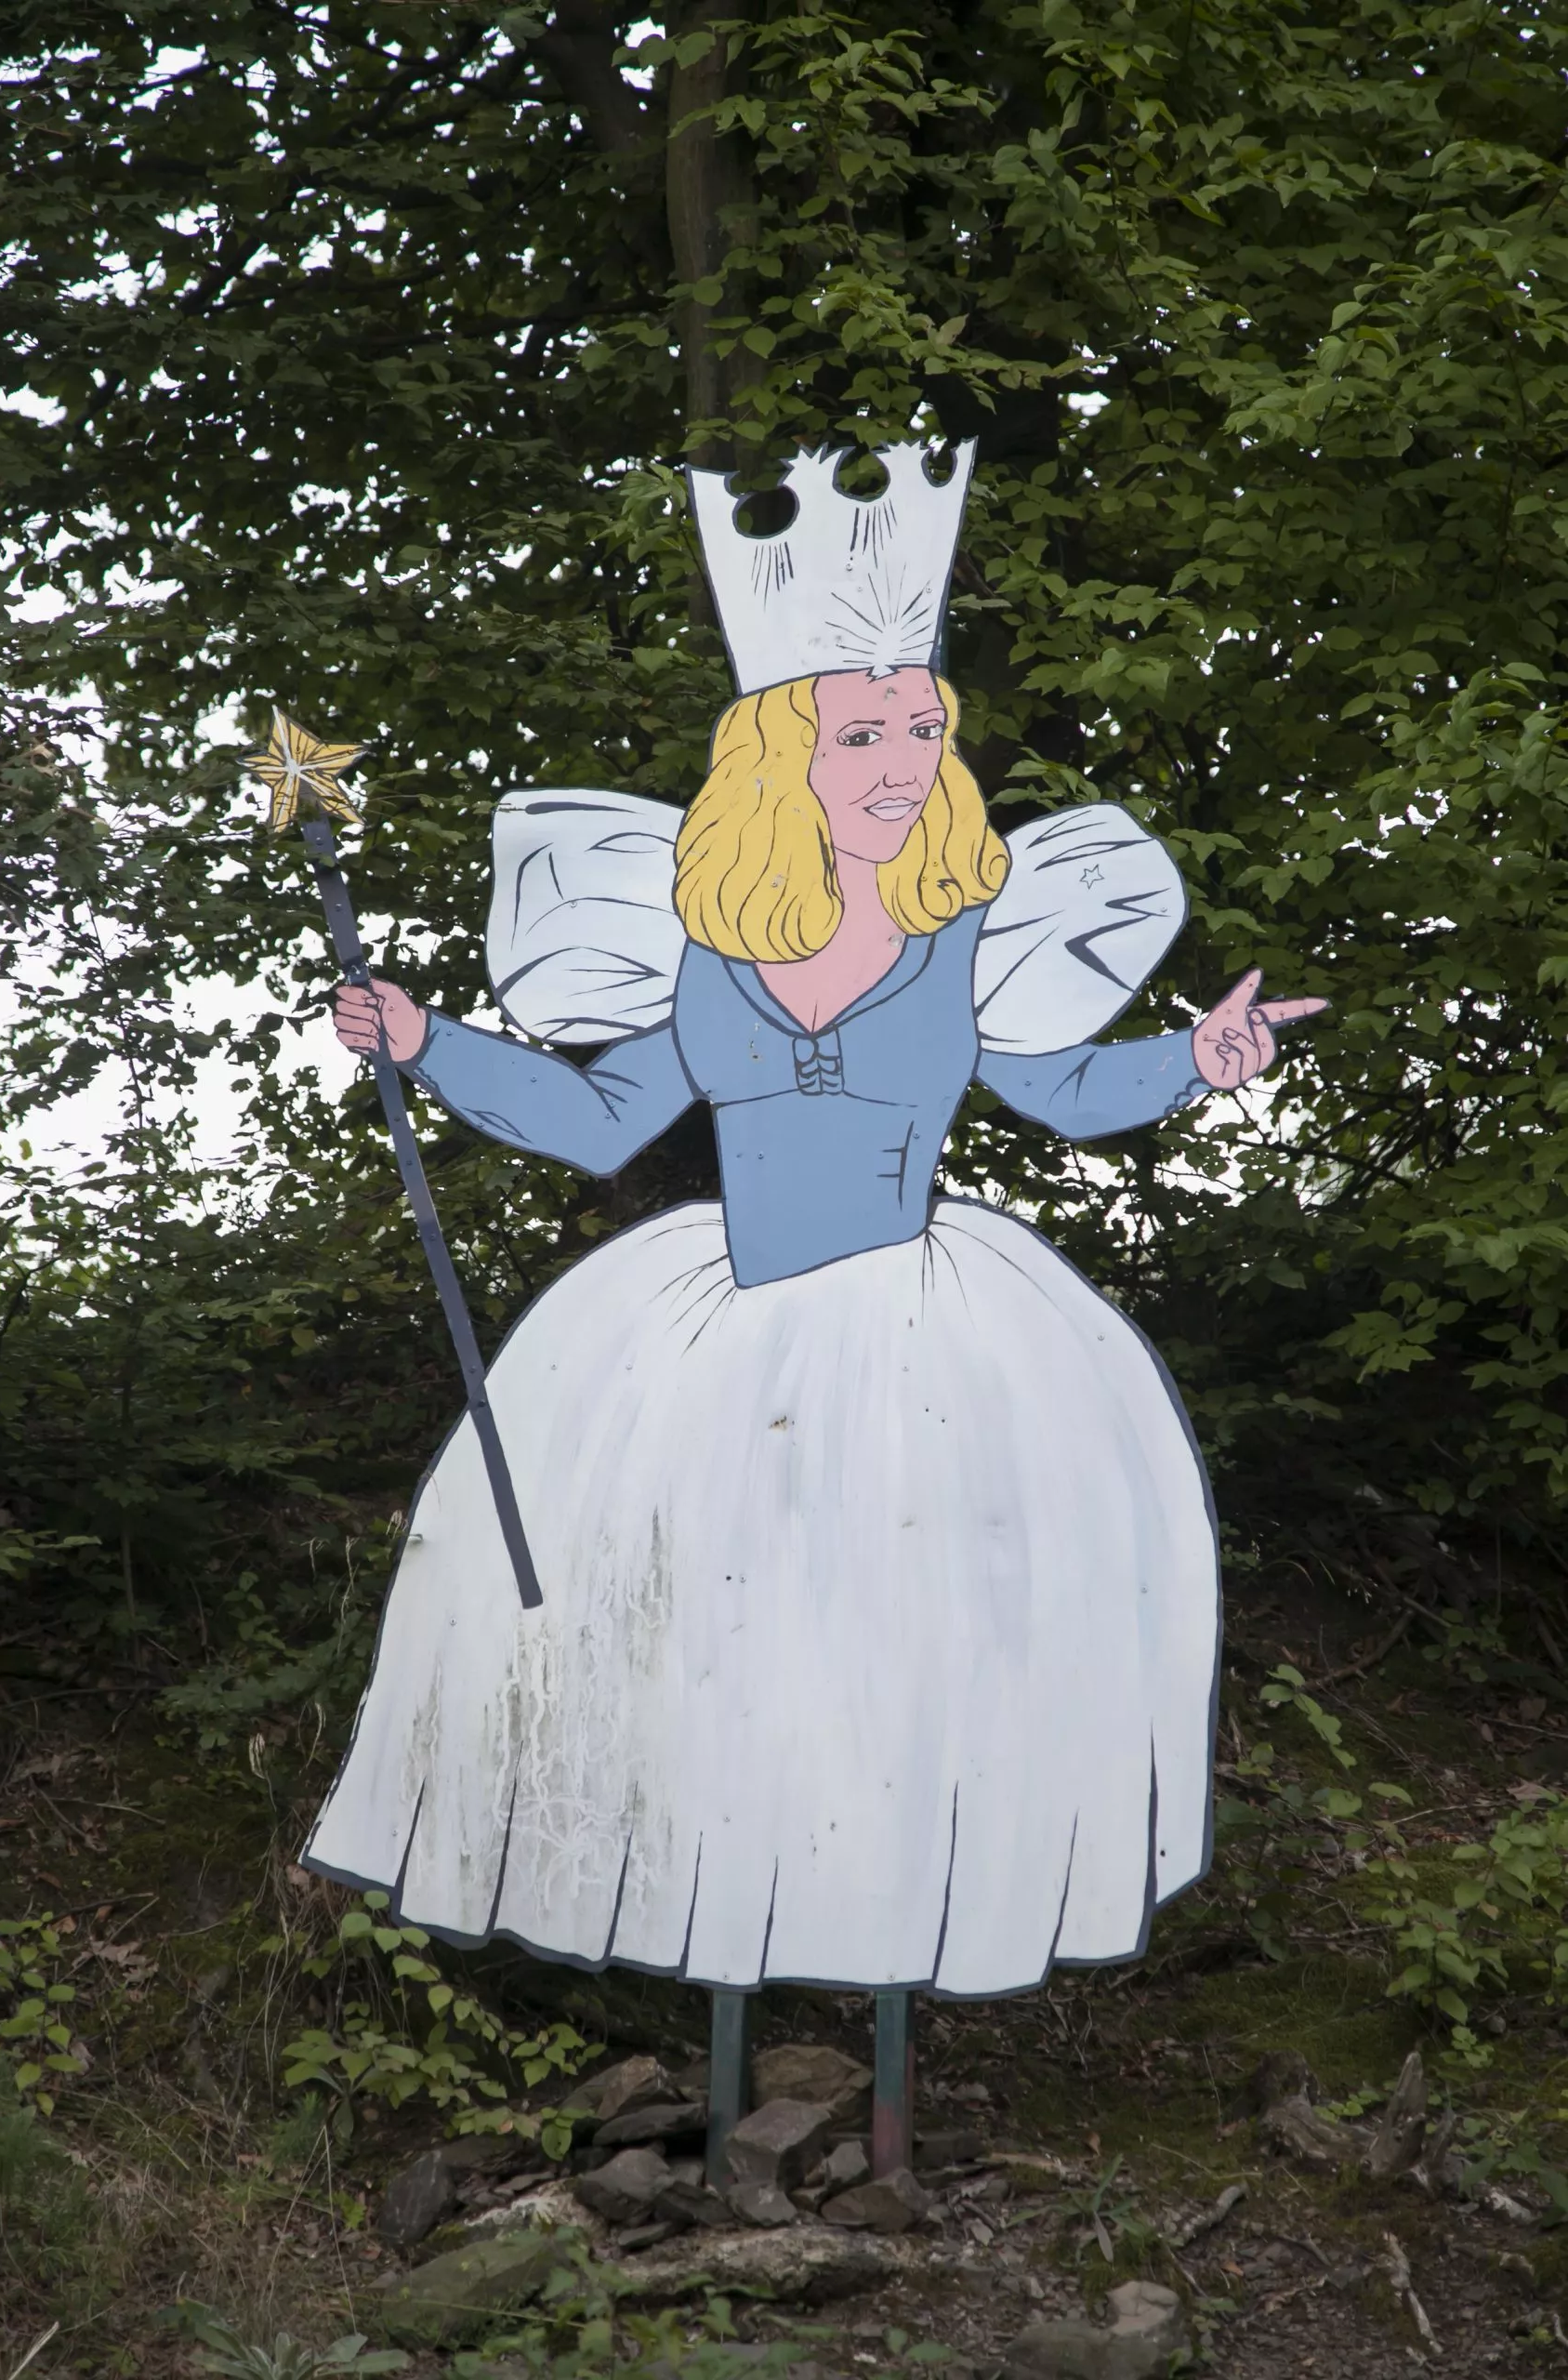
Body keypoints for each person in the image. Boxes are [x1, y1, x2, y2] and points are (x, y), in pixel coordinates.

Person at [304, 444, 1324, 1999]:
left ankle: (897, 1947)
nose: (903, 761)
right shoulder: (706, 944)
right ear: (784, 756)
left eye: (922, 729)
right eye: (862, 734)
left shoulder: (964, 928)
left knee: (912, 1644)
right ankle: (729, 1940)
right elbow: (599, 1117)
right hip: (712, 1338)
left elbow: (1057, 1089)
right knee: (713, 1645)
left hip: (927, 1342)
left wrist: (1197, 1061)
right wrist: (428, 1041)